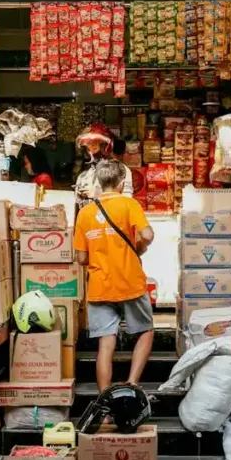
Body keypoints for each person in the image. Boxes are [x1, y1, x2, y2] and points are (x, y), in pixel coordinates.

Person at [74, 160, 155, 391]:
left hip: (100, 285)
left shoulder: (85, 213)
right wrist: (138, 247)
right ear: (121, 182)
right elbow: (147, 235)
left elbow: (81, 258)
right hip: (130, 281)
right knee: (145, 330)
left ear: (99, 182)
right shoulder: (129, 204)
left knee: (105, 344)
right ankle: (131, 384)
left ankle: (105, 402)